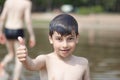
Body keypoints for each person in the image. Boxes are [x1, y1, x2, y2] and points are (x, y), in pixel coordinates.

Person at [17, 14, 90, 80]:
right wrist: (25, 59)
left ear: (77, 38)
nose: (65, 45)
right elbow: (31, 65)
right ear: (51, 39)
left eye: (70, 39)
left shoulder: (83, 63)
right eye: (59, 39)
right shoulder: (46, 60)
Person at [0, 0, 36, 80]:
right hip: (18, 30)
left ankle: (2, 64)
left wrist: (0, 32)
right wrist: (32, 35)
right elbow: (28, 21)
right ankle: (15, 78)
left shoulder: (8, 2)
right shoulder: (26, 3)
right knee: (19, 58)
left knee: (11, 54)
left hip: (7, 29)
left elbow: (2, 18)